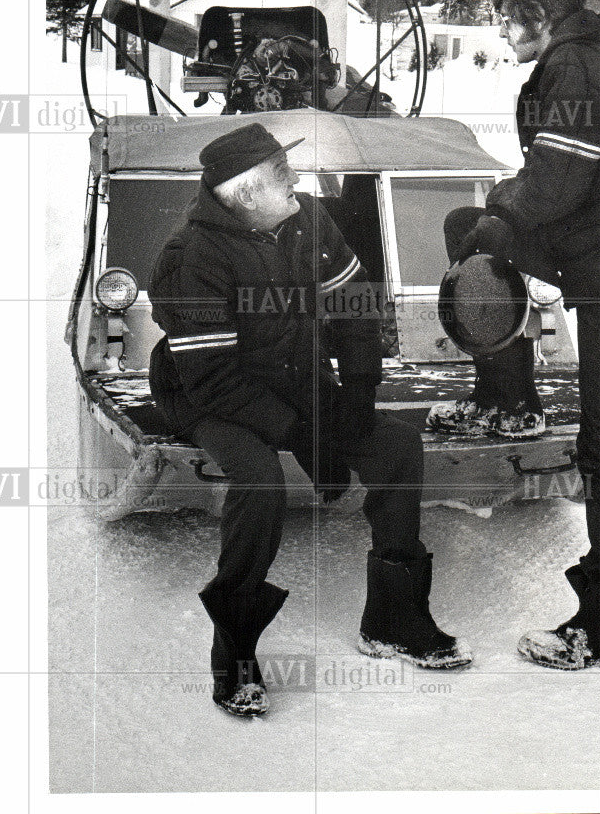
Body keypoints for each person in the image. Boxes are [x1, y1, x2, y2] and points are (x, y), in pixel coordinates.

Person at [148, 122, 472, 717]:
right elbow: (213, 378)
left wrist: (355, 397)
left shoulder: (308, 221)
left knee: (395, 448)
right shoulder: (189, 260)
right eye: (281, 176)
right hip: (211, 395)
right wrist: (302, 435)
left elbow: (355, 307)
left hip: (295, 377)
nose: (295, 182)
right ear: (246, 194)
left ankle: (394, 620)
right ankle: (235, 649)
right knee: (258, 477)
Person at [431, 0, 600, 669]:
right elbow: (566, 180)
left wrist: (501, 206)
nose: (500, 29)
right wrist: (497, 212)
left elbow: (553, 182)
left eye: (506, 16)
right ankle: (508, 398)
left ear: (538, 15)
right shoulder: (595, 55)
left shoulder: (578, 65)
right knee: (471, 224)